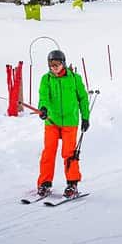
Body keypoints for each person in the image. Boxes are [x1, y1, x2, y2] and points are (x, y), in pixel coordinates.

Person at [37, 49, 90, 199]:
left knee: (69, 153)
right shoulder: (46, 79)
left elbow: (83, 98)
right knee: (48, 152)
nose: (54, 67)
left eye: (57, 64)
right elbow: (43, 96)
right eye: (51, 64)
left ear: (63, 63)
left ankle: (72, 184)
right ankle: (45, 183)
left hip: (69, 121)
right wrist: (43, 108)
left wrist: (85, 117)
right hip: (52, 121)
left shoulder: (74, 78)